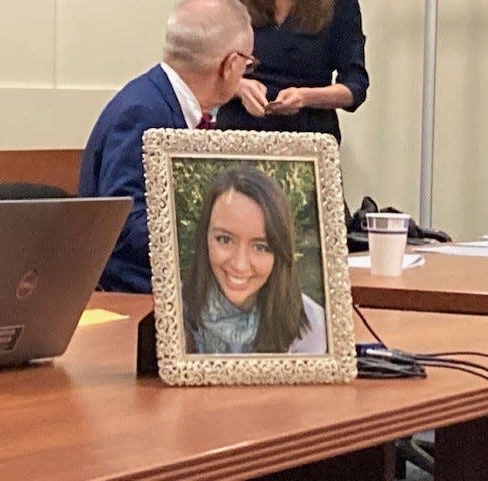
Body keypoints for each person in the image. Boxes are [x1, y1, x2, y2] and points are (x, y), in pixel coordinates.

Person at [78, 0, 254, 293]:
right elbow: (124, 224)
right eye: (247, 65)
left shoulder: (161, 100)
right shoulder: (142, 113)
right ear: (230, 65)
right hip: (135, 298)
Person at [183, 165, 326, 354]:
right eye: (224, 240)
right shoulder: (173, 310)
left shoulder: (310, 323)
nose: (240, 264)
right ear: (204, 238)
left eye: (261, 247)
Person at [215, 0, 369, 145]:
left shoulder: (340, 5)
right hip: (236, 136)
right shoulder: (232, 4)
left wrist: (305, 97)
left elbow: (355, 88)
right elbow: (201, 69)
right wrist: (237, 86)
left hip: (308, 140)